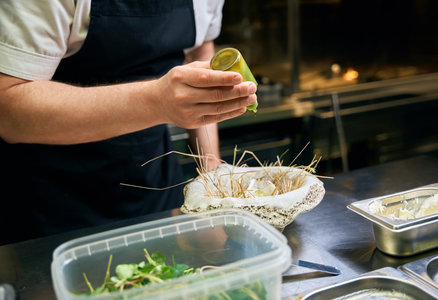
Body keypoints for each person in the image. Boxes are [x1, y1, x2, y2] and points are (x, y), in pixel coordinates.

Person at [0, 0, 257, 245]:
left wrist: (210, 173)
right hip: (50, 200)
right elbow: (7, 109)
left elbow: (199, 51)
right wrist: (155, 101)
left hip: (155, 184)